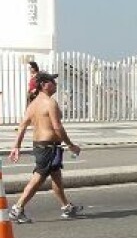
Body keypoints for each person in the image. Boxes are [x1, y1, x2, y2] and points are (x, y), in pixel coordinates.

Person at [8, 72, 83, 222]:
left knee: (56, 177)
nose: (55, 84)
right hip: (48, 147)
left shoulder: (33, 104)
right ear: (43, 84)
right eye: (52, 81)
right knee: (38, 178)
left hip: (42, 146)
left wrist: (16, 146)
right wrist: (71, 145)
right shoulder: (50, 103)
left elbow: (22, 126)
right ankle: (18, 208)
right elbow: (57, 128)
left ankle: (66, 207)